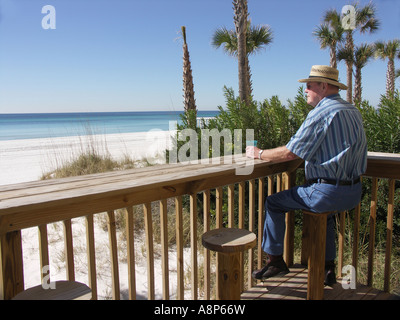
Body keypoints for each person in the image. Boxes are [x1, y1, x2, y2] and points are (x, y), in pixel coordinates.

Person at [246, 65, 367, 285]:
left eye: (309, 86)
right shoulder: (352, 110)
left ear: (323, 86)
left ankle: (275, 261)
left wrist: (259, 153)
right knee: (327, 215)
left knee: (273, 202)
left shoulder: (321, 112)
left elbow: (290, 152)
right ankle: (328, 268)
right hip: (353, 191)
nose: (305, 91)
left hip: (327, 192)